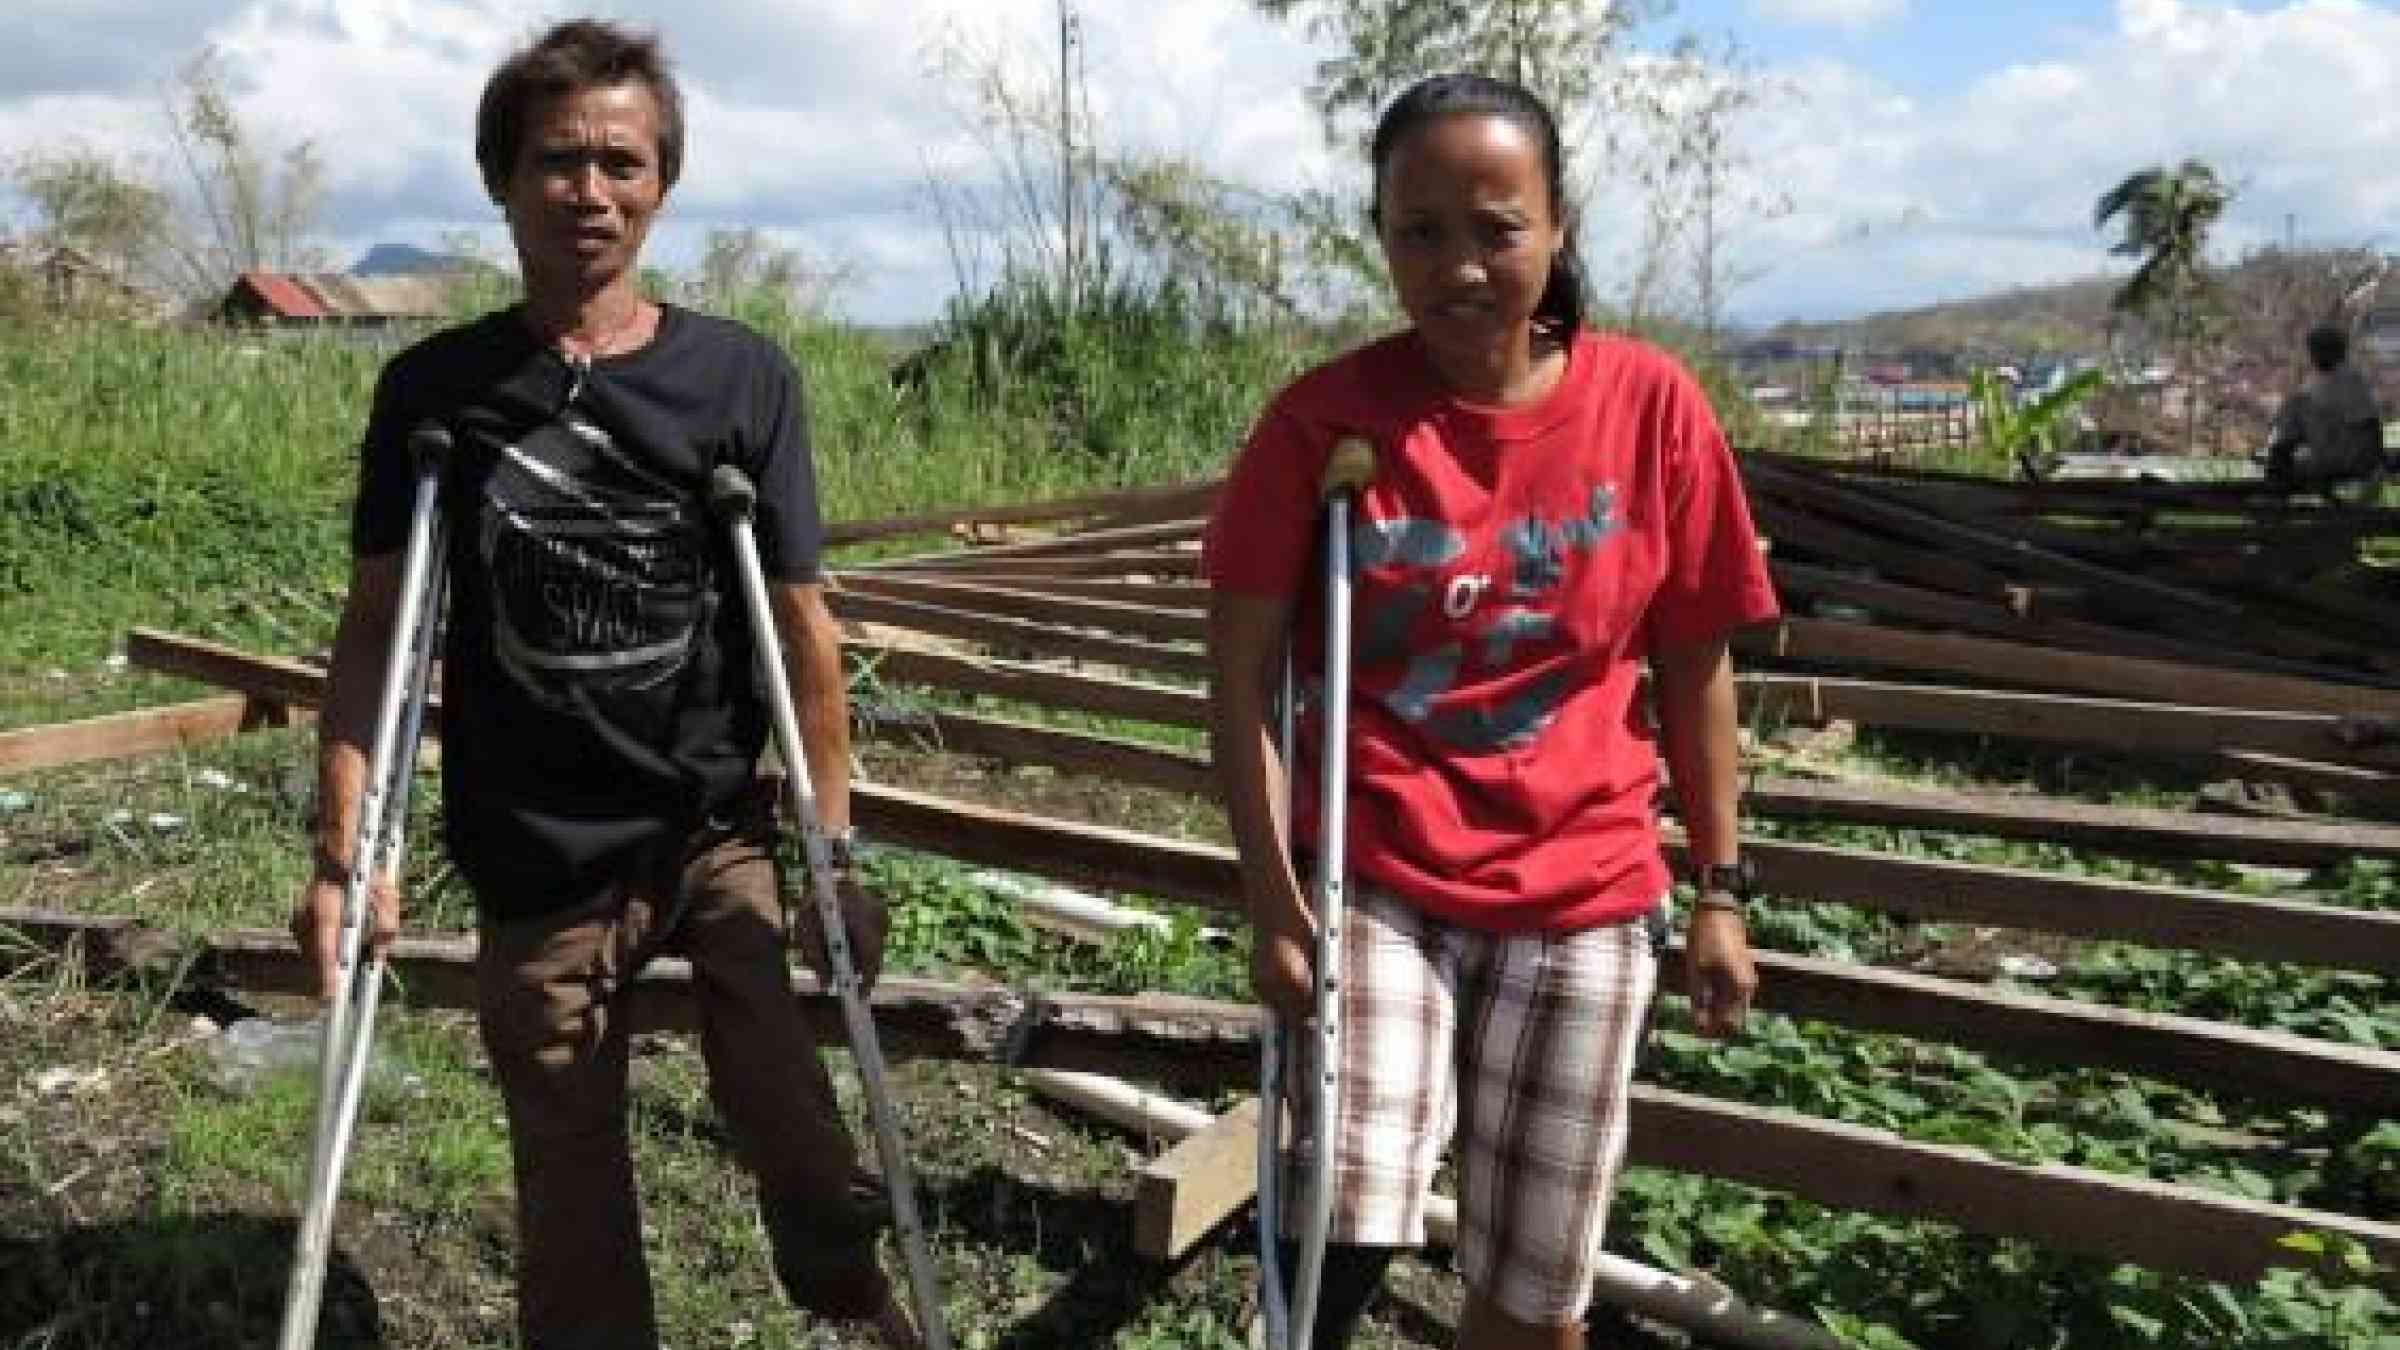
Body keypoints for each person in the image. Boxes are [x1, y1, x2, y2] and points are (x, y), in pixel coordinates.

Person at [291, 20, 918, 1350]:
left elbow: (802, 625)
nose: (592, 191)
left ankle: (849, 1287)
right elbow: (373, 635)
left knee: (801, 1139)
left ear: (663, 184)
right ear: (502, 180)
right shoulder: (437, 391)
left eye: (623, 164)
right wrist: (350, 847)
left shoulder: (739, 377)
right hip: (537, 852)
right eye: (558, 160)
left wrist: (834, 854)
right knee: (571, 1194)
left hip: (708, 830)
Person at [1204, 73, 1777, 1350]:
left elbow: (1696, 665)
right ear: (1383, 237)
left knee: (1533, 1289)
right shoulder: (1323, 422)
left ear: (1558, 225)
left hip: (1585, 881)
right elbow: (1241, 672)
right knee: (1344, 1199)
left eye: (1495, 229)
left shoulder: (1652, 409)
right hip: (1382, 873)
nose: (1460, 266)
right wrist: (1272, 901)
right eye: (1421, 233)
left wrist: (1723, 889)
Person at [2265, 323, 2385, 495]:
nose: (2313, 356)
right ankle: (2279, 460)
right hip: (2337, 453)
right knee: (2296, 405)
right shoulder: (2333, 380)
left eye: (2316, 351)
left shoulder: (2345, 381)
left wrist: (2373, 463)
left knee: (2296, 405)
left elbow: (2368, 425)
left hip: (2347, 458)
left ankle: (2278, 463)